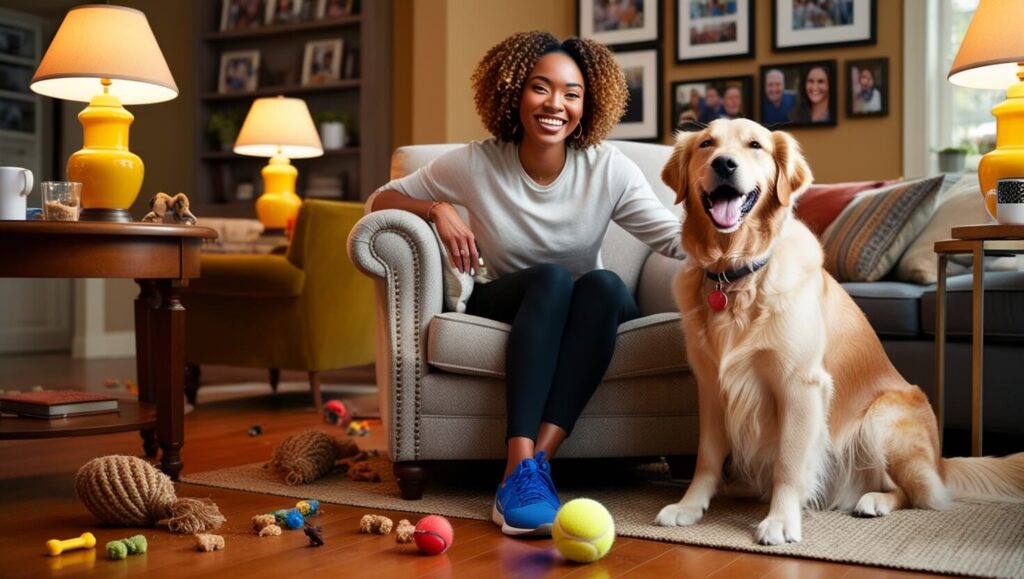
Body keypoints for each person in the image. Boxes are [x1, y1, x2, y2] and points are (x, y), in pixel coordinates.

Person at [369, 31, 684, 537]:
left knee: (601, 285)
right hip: (512, 298)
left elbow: (673, 238)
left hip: (590, 312)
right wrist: (437, 208)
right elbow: (380, 201)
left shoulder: (608, 169)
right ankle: (516, 466)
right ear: (513, 90)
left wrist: (739, 231)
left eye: (572, 93)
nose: (556, 104)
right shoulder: (476, 162)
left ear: (589, 103)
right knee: (553, 280)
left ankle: (534, 466)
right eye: (541, 87)